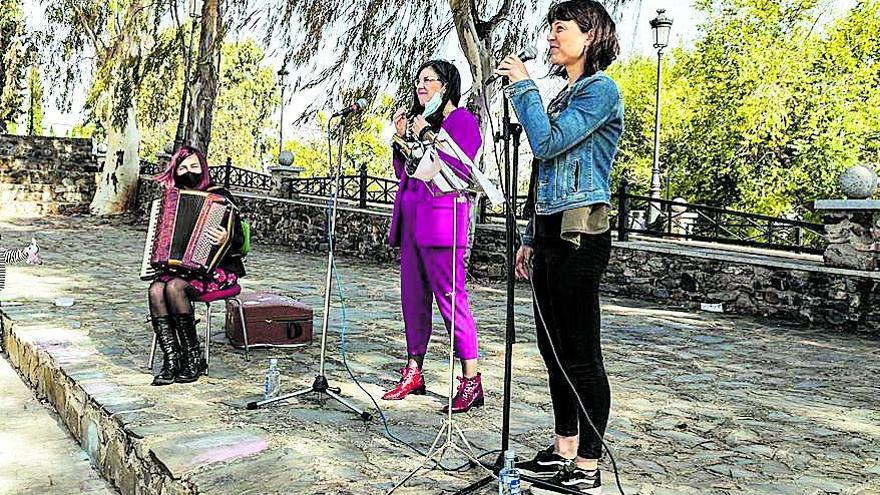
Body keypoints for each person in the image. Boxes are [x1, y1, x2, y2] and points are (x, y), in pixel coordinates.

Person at [494, 1, 623, 493]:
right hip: (549, 232)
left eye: (560, 28)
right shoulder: (562, 95)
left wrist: (523, 85)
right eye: (550, 27)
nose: (551, 36)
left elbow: (548, 145)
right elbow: (540, 174)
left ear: (589, 36)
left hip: (580, 234)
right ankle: (564, 447)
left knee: (580, 350)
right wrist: (529, 237)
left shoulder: (600, 91)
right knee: (552, 349)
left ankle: (589, 461)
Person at [383, 59, 485, 413]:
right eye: (418, 81)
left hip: (443, 224)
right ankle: (414, 370)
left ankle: (471, 380)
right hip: (412, 219)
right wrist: (401, 140)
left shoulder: (461, 121)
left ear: (447, 85)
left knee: (450, 299)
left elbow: (457, 168)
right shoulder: (422, 125)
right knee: (412, 298)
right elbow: (405, 173)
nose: (421, 86)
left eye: (429, 80)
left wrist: (427, 134)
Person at [147, 146, 246, 386]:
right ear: (175, 171)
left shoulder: (220, 196)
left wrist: (226, 238)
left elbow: (240, 239)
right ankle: (172, 359)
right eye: (183, 168)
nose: (188, 172)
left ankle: (193, 358)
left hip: (216, 269)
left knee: (173, 289)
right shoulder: (171, 200)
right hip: (179, 269)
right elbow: (162, 236)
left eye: (194, 166)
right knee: (155, 290)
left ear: (203, 168)